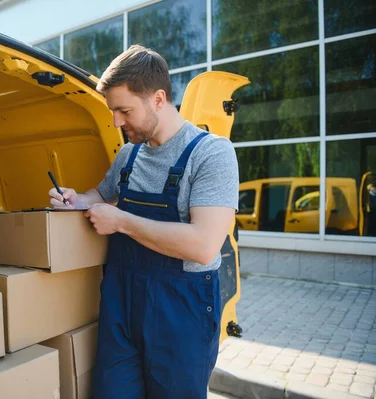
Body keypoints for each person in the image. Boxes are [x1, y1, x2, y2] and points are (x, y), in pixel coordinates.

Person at [49, 44, 239, 399]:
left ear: (158, 98)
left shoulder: (212, 153)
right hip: (122, 304)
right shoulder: (128, 154)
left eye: (124, 110)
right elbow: (101, 197)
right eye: (113, 112)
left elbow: (203, 245)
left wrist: (121, 222)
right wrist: (76, 201)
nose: (117, 122)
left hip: (180, 312)